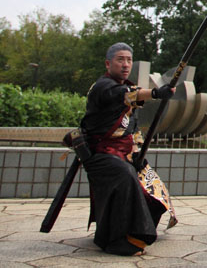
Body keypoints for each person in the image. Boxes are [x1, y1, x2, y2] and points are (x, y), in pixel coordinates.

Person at [79, 42, 176, 256]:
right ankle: (117, 239)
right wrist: (156, 93)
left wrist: (138, 153)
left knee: (154, 188)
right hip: (101, 154)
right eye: (120, 60)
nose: (125, 64)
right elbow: (125, 93)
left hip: (124, 153)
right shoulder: (103, 87)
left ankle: (138, 231)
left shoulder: (127, 91)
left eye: (129, 60)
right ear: (108, 63)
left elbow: (131, 129)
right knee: (125, 176)